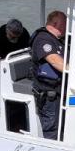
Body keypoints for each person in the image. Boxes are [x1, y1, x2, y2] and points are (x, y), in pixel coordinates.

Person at [30, 11, 68, 140]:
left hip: (62, 91)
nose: (67, 27)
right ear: (55, 23)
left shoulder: (62, 39)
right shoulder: (42, 39)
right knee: (52, 129)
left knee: (64, 125)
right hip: (49, 96)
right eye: (65, 24)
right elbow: (55, 61)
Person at [0, 19, 30, 114]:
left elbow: (28, 51)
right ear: (7, 31)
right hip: (2, 58)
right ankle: (1, 103)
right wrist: (1, 74)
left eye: (16, 37)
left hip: (18, 58)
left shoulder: (24, 33)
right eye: (12, 36)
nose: (14, 39)